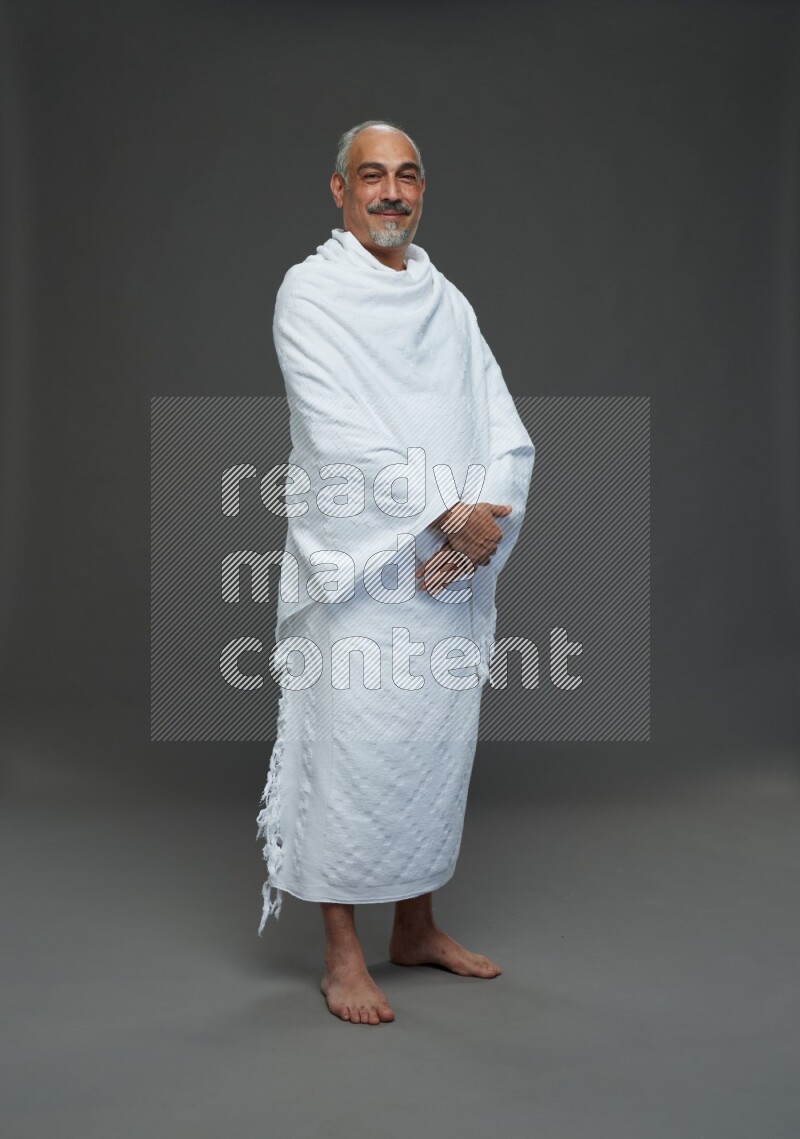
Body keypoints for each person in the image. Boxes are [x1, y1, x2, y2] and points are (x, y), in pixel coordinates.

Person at [256, 120, 535, 1025]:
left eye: (407, 176)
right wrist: (444, 513)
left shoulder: (445, 299)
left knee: (430, 750)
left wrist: (478, 526)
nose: (391, 192)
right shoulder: (311, 293)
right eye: (371, 176)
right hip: (362, 566)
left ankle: (414, 925)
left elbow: (498, 419)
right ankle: (342, 948)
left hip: (449, 570)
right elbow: (340, 431)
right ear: (338, 191)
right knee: (352, 747)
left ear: (422, 191)